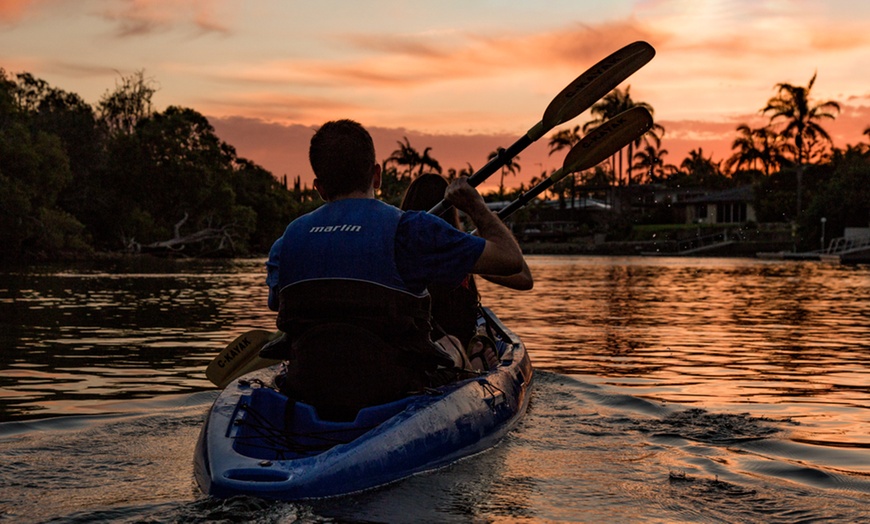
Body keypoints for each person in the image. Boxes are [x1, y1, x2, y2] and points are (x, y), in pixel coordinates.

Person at [265, 119, 529, 420]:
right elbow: (511, 260)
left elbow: (279, 305)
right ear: (377, 175)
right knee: (453, 346)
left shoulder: (285, 243)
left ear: (319, 188)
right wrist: (476, 206)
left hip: (307, 389)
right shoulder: (412, 229)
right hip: (393, 392)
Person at [399, 173, 533, 355]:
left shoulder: (395, 251)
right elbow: (524, 277)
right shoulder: (459, 256)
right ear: (451, 212)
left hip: (421, 349)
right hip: (453, 352)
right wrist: (491, 223)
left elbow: (524, 280)